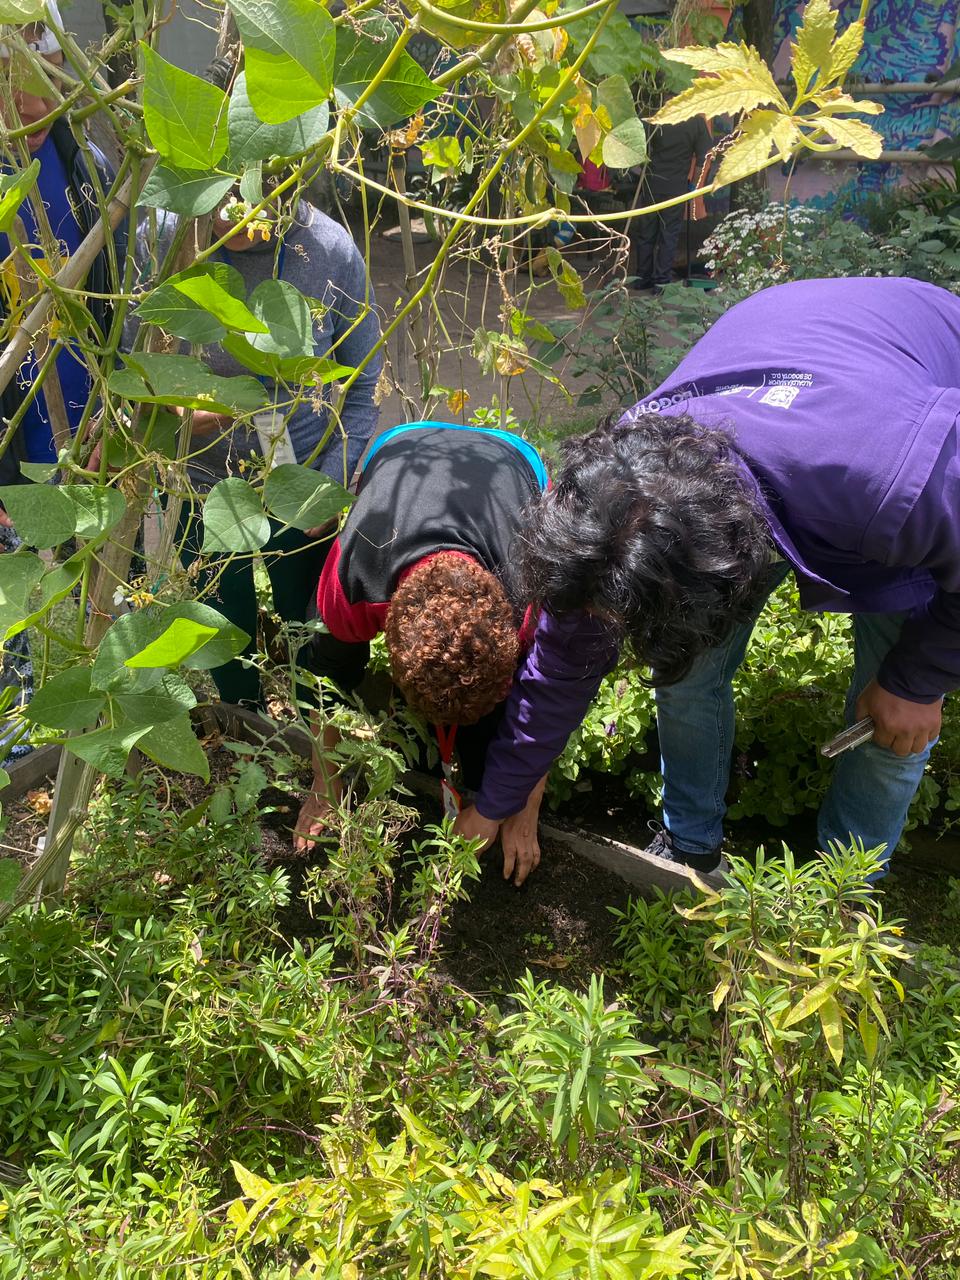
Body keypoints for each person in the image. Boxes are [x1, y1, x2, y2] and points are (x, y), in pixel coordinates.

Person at [455, 277, 960, 878]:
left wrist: (919, 679)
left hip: (908, 379)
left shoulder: (895, 477)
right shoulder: (610, 514)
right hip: (789, 347)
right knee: (687, 674)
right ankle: (692, 847)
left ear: (723, 575)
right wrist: (494, 803)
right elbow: (562, 665)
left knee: (894, 713)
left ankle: (842, 898)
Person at [294, 419, 583, 886]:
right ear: (387, 630)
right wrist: (325, 786)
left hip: (512, 462)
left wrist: (522, 808)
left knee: (490, 744)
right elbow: (325, 680)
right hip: (404, 446)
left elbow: (544, 698)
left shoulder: (529, 588)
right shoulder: (352, 581)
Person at [135, 189, 382, 707]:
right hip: (198, 477)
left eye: (254, 200)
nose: (237, 217)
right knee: (224, 617)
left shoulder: (328, 249)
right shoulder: (167, 235)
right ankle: (240, 717)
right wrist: (173, 413)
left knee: (309, 621)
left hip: (302, 475)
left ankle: (317, 730)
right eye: (224, 197)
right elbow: (131, 361)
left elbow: (364, 382)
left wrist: (333, 479)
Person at [0, 3, 121, 759]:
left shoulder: (86, 163)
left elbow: (114, 295)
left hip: (88, 435)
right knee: (14, 631)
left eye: (47, 81)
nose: (33, 107)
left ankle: (85, 751)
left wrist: (114, 412)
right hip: (12, 449)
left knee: (93, 601)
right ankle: (22, 764)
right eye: (10, 87)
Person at [630, 116, 711, 292]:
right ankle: (660, 282)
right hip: (676, 187)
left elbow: (635, 143)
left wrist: (638, 172)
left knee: (646, 233)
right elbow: (704, 156)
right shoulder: (695, 120)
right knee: (669, 235)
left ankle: (642, 279)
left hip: (651, 183)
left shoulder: (659, 114)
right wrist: (695, 184)